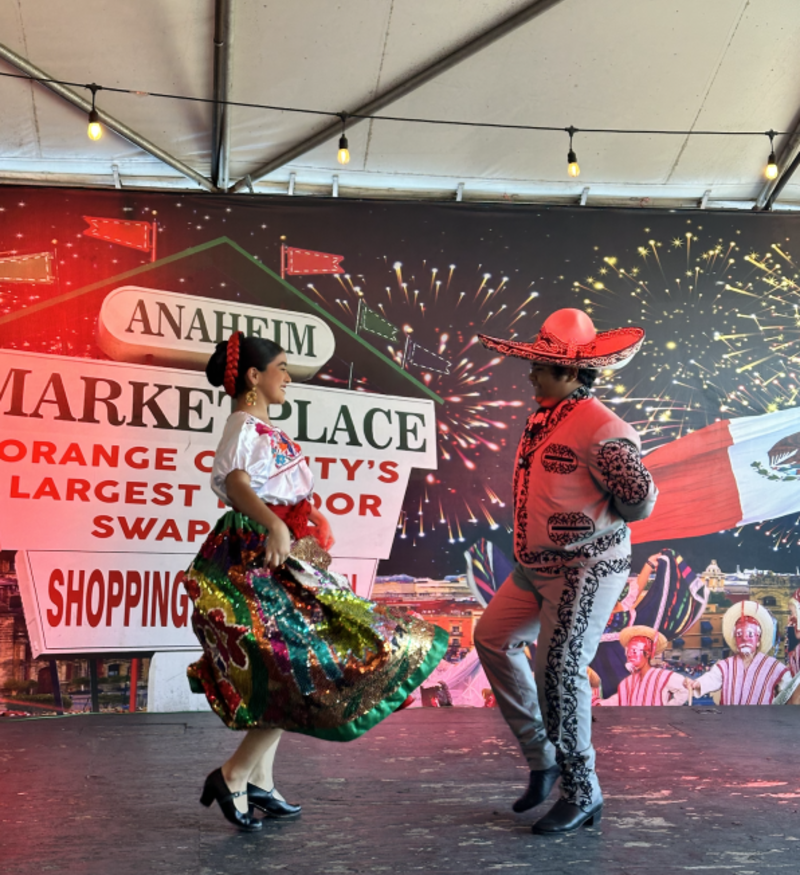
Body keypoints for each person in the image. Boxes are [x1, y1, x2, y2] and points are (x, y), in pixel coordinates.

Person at [185, 331, 448, 831]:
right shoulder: (244, 424)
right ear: (252, 378)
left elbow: (272, 486)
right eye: (280, 367)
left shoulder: (264, 428)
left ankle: (257, 779)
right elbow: (237, 484)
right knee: (300, 666)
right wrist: (276, 523)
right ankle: (234, 774)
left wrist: (307, 522)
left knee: (295, 669)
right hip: (257, 557)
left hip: (286, 554)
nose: (288, 376)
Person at [473, 308, 657, 835]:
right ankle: (543, 757)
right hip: (536, 570)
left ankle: (584, 791)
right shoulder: (545, 415)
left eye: (542, 367)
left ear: (572, 373)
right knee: (492, 637)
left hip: (586, 571)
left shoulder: (605, 428)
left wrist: (588, 524)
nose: (532, 374)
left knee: (559, 673)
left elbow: (640, 501)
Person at [686, 601, 790, 705]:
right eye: (739, 634)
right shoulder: (726, 666)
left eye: (750, 634)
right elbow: (712, 678)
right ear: (735, 640)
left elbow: (788, 689)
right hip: (730, 720)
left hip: (761, 720)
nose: (744, 639)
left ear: (758, 641)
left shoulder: (773, 667)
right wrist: (697, 683)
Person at [597, 626, 687, 706]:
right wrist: (599, 704)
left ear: (647, 654)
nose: (629, 655)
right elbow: (618, 700)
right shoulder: (626, 682)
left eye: (634, 651)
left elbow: (684, 691)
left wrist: (666, 711)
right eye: (628, 651)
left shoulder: (664, 676)